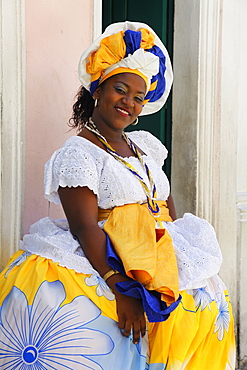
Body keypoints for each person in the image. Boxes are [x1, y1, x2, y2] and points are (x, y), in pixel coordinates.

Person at [0, 21, 235, 370]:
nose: (129, 102)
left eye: (138, 97)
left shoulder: (146, 148)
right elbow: (84, 227)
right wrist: (121, 288)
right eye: (120, 89)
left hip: (159, 255)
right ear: (98, 89)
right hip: (109, 256)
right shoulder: (78, 153)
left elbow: (165, 207)